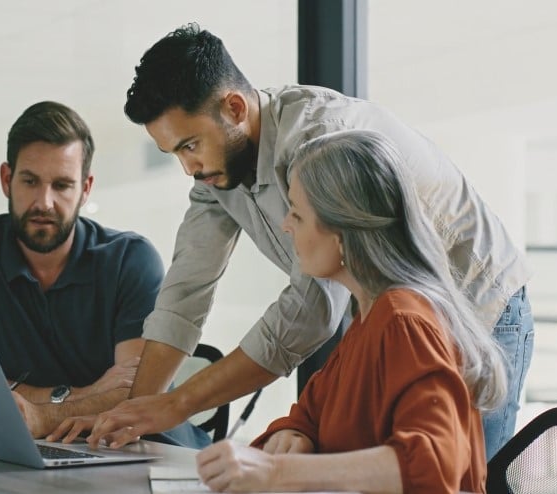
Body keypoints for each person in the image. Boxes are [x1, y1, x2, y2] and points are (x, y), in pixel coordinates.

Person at [62, 24, 532, 460]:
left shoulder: (321, 145)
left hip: (479, 309)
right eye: (174, 153)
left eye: (189, 145)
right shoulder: (217, 173)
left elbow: (310, 309)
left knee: (460, 475)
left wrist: (177, 404)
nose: (188, 167)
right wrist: (137, 417)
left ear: (234, 108)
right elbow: (185, 291)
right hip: (393, 319)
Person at [195, 130, 506, 493]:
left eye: (297, 213)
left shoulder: (403, 320)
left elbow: (433, 464)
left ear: (341, 233)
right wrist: (296, 435)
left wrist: (277, 473)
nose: (285, 225)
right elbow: (311, 415)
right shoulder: (369, 315)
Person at [0, 100, 209, 449]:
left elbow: (133, 394)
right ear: (7, 179)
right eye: (30, 181)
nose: (44, 202)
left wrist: (39, 413)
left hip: (149, 454)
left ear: (86, 189)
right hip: (36, 450)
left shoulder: (130, 259)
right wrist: (83, 394)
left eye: (62, 185)